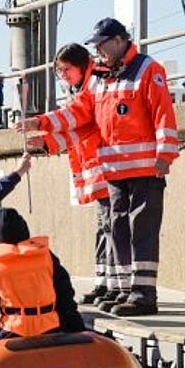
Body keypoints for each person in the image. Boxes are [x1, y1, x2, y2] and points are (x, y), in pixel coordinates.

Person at [18, 17, 179, 316]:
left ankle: (144, 293)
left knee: (140, 230)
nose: (99, 52)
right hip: (114, 171)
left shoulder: (148, 70)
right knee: (117, 230)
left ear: (119, 40)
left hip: (145, 169)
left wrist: (164, 155)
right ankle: (122, 289)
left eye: (103, 45)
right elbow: (79, 115)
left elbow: (163, 114)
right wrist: (41, 124)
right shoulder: (100, 78)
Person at [26, 43, 110, 304]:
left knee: (109, 227)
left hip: (108, 165)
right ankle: (103, 282)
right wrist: (47, 142)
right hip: (100, 165)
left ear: (82, 64)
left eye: (66, 69)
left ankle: (109, 284)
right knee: (104, 227)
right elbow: (77, 131)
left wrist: (42, 123)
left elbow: (80, 122)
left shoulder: (95, 85)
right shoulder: (82, 89)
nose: (63, 75)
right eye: (59, 71)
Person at [0, 207, 86, 345]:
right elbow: (66, 300)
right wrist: (79, 332)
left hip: (12, 333)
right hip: (51, 330)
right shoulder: (46, 257)